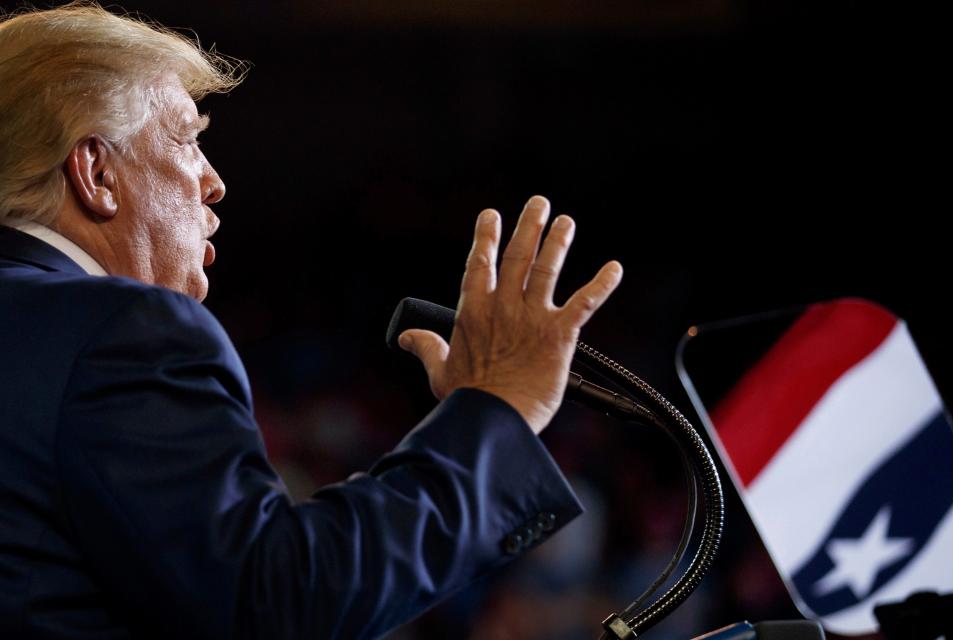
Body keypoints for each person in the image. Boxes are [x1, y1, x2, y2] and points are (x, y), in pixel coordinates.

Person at [0, 3, 623, 638]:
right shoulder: (124, 333)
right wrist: (497, 411)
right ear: (96, 172)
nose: (213, 182)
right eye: (187, 138)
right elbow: (277, 602)